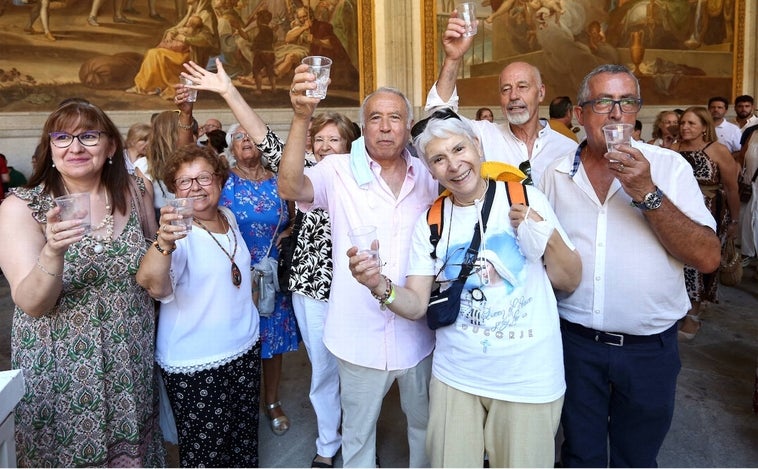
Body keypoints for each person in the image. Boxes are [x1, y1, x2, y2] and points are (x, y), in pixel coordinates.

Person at [346, 108, 581, 467]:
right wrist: (379, 284)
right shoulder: (432, 220)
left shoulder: (523, 197)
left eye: (459, 149)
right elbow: (416, 305)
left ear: (477, 147)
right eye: (438, 159)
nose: (453, 165)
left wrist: (542, 232)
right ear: (430, 170)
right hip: (457, 376)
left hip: (527, 375)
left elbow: (569, 280)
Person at [539, 64, 721, 467]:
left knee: (636, 459)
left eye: (627, 102)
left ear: (638, 111)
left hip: (648, 352)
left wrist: (646, 191)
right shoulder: (553, 173)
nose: (617, 113)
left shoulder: (669, 168)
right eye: (603, 102)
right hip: (573, 345)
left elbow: (708, 257)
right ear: (581, 113)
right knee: (578, 455)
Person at [280, 68, 439, 466]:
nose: (385, 127)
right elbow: (289, 187)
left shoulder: (430, 176)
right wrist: (301, 117)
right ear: (363, 126)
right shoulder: (335, 171)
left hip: (419, 337)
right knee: (357, 435)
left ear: (407, 126)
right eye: (375, 118)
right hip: (357, 335)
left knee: (425, 430)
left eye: (395, 118)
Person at [0, 100, 165, 467]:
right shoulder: (22, 207)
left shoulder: (137, 190)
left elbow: (155, 267)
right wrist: (53, 252)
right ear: (50, 148)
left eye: (88, 136)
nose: (75, 147)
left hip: (129, 360)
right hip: (62, 371)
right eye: (62, 137)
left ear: (110, 147)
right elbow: (32, 303)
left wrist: (167, 242)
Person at [180, 58, 300, 437]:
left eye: (251, 137)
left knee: (273, 342)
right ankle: (242, 402)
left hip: (272, 271)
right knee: (239, 341)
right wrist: (187, 111)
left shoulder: (280, 179)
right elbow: (185, 161)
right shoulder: (223, 179)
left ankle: (272, 400)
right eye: (239, 138)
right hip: (231, 274)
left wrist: (290, 232)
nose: (247, 143)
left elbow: (299, 212)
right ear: (230, 147)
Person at [136, 144, 261, 467]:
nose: (195, 187)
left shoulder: (228, 217)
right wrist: (164, 242)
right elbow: (152, 284)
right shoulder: (179, 232)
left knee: (243, 440)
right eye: (184, 182)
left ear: (219, 181)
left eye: (204, 178)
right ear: (173, 190)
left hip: (243, 347)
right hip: (198, 361)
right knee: (207, 453)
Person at [426, 11, 576, 186]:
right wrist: (453, 58)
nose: (513, 96)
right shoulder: (485, 136)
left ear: (541, 93)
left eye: (522, 87)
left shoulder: (567, 149)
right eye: (506, 89)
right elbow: (441, 119)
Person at [288, 111, 359, 467]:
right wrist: (227, 91)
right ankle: (328, 442)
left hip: (357, 287)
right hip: (311, 286)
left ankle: (362, 442)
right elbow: (267, 142)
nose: (325, 146)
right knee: (323, 368)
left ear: (350, 144)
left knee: (361, 371)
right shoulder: (306, 175)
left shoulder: (364, 177)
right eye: (320, 140)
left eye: (334, 139)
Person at [673, 106, 739, 341]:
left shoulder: (717, 150)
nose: (685, 127)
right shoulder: (673, 149)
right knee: (677, 262)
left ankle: (694, 315)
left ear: (704, 127)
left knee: (699, 263)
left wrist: (734, 220)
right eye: (682, 123)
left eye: (691, 123)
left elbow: (732, 189)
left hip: (709, 213)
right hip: (677, 214)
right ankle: (678, 308)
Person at [127, 0, 218, 100]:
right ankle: (147, 86)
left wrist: (185, 39)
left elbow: (208, 40)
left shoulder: (206, 14)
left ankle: (147, 86)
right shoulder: (193, 11)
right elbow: (181, 27)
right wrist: (171, 32)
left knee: (155, 54)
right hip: (182, 50)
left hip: (191, 55)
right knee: (152, 53)